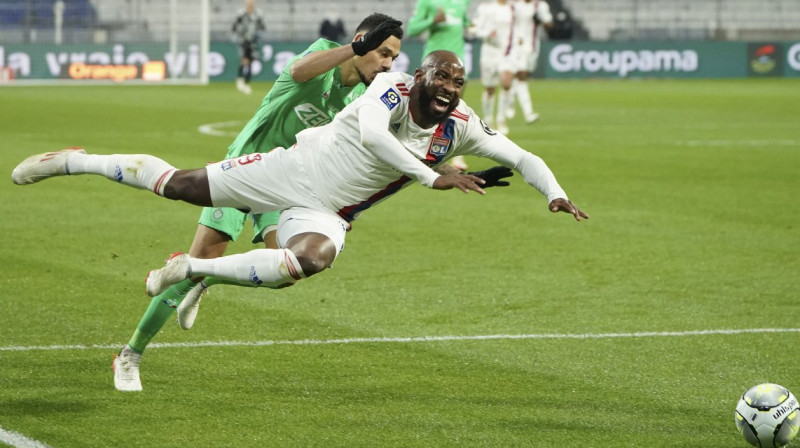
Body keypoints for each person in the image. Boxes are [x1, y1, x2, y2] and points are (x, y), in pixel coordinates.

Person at [11, 51, 588, 384]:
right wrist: (429, 174)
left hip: (327, 210)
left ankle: (189, 271)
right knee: (179, 185)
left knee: (309, 261)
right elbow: (370, 136)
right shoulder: (388, 90)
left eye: (459, 84)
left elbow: (522, 155)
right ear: (419, 79)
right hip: (291, 170)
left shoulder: (460, 123)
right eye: (442, 80)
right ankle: (75, 160)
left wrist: (553, 192)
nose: (451, 91)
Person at [123, 13, 406, 392]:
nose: (387, 64)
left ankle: (203, 278)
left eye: (393, 58)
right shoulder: (324, 54)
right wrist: (351, 49)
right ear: (361, 42)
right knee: (204, 253)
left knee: (284, 270)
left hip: (288, 181)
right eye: (382, 52)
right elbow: (301, 71)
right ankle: (130, 354)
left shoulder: (361, 100)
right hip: (243, 167)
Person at [407, 0, 472, 172]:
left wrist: (474, 26)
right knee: (425, 110)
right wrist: (433, 20)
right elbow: (412, 29)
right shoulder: (427, 2)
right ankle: (415, 148)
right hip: (434, 66)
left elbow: (466, 22)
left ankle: (455, 155)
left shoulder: (464, 2)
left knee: (453, 110)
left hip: (458, 65)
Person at [468, 0, 514, 135]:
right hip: (489, 53)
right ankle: (488, 119)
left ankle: (501, 119)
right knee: (490, 89)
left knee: (506, 84)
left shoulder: (513, 9)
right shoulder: (486, 8)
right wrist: (486, 34)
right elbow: (473, 28)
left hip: (506, 53)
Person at [504, 0, 553, 124]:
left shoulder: (540, 6)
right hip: (514, 45)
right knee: (521, 76)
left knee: (521, 77)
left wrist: (542, 19)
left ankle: (510, 101)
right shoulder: (514, 5)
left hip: (531, 47)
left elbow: (549, 25)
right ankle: (528, 113)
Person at [232, 0, 266, 94]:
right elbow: (234, 26)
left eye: (251, 3)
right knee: (244, 60)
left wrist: (259, 34)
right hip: (243, 41)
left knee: (250, 62)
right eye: (248, 3)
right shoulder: (241, 14)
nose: (250, 4)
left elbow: (262, 27)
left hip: (253, 42)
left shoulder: (258, 14)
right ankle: (240, 80)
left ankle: (246, 83)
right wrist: (238, 35)